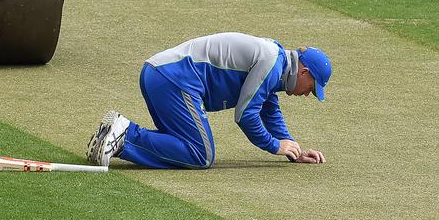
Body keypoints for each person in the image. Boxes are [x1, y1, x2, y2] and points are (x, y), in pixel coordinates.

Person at [87, 32, 332, 169]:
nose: (306, 94)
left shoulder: (276, 62)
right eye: (311, 88)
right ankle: (125, 136)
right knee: (200, 154)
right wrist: (274, 146)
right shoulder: (271, 61)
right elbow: (245, 114)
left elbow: (268, 107)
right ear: (304, 72)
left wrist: (291, 147)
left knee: (185, 144)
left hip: (159, 74)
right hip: (174, 80)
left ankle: (111, 136)